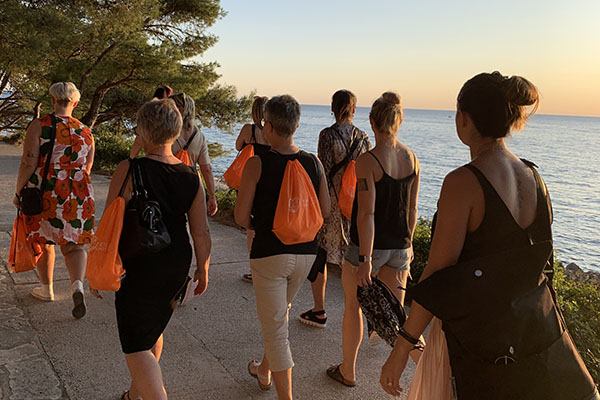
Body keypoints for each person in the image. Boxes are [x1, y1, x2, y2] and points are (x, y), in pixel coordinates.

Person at [380, 72, 599, 400]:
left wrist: (402, 348)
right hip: (529, 338)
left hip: (478, 342)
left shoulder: (462, 183)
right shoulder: (534, 177)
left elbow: (438, 274)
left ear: (464, 118)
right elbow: (543, 264)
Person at [98, 99, 211, 400]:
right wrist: (203, 268)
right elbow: (201, 231)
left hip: (139, 263)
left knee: (135, 345)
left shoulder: (129, 170)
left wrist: (99, 266)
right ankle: (136, 394)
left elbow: (110, 222)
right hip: (176, 264)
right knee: (153, 329)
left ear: (144, 132)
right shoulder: (191, 176)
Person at [234, 95, 330, 400]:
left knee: (277, 331)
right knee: (279, 315)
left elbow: (240, 216)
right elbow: (325, 210)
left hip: (269, 255)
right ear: (297, 126)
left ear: (268, 126)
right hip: (305, 254)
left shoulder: (257, 164)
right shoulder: (313, 163)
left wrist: (261, 222)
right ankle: (263, 370)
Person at [327, 92, 420, 387]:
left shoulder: (367, 162)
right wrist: (409, 245)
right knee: (397, 320)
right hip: (400, 247)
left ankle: (348, 371)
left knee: (353, 308)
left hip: (367, 248)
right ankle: (430, 370)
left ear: (371, 121)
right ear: (399, 120)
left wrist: (365, 259)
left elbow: (366, 214)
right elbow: (412, 209)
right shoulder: (412, 159)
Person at [13, 82, 95, 319]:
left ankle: (46, 289)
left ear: (52, 100)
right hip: (78, 193)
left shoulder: (40, 125)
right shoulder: (86, 131)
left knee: (45, 240)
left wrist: (18, 192)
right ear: (75, 103)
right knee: (74, 245)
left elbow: (29, 161)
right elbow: (87, 167)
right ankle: (77, 287)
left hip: (46, 190)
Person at [299, 89, 370, 328]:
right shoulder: (363, 137)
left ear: (333, 108)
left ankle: (319, 310)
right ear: (354, 109)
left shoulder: (327, 135)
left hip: (331, 203)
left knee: (320, 254)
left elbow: (324, 170)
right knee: (350, 256)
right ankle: (358, 310)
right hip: (355, 204)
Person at [235, 95, 270, 283]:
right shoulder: (272, 130)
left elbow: (237, 146)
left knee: (251, 227)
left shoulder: (249, 129)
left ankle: (254, 269)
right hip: (269, 178)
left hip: (250, 179)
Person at [170, 93, 218, 216]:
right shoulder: (199, 137)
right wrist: (212, 196)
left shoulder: (168, 132)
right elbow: (206, 169)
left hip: (169, 181)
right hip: (190, 184)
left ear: (180, 109)